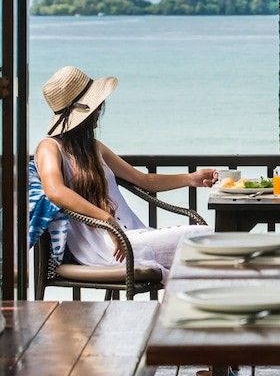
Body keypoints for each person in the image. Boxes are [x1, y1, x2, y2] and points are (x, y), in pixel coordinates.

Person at [33, 65, 216, 281]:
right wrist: (107, 219)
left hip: (133, 237)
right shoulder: (49, 147)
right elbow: (54, 190)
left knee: (213, 247)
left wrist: (191, 178)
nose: (100, 110)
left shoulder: (94, 148)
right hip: (106, 247)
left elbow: (143, 180)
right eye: (96, 105)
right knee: (210, 238)